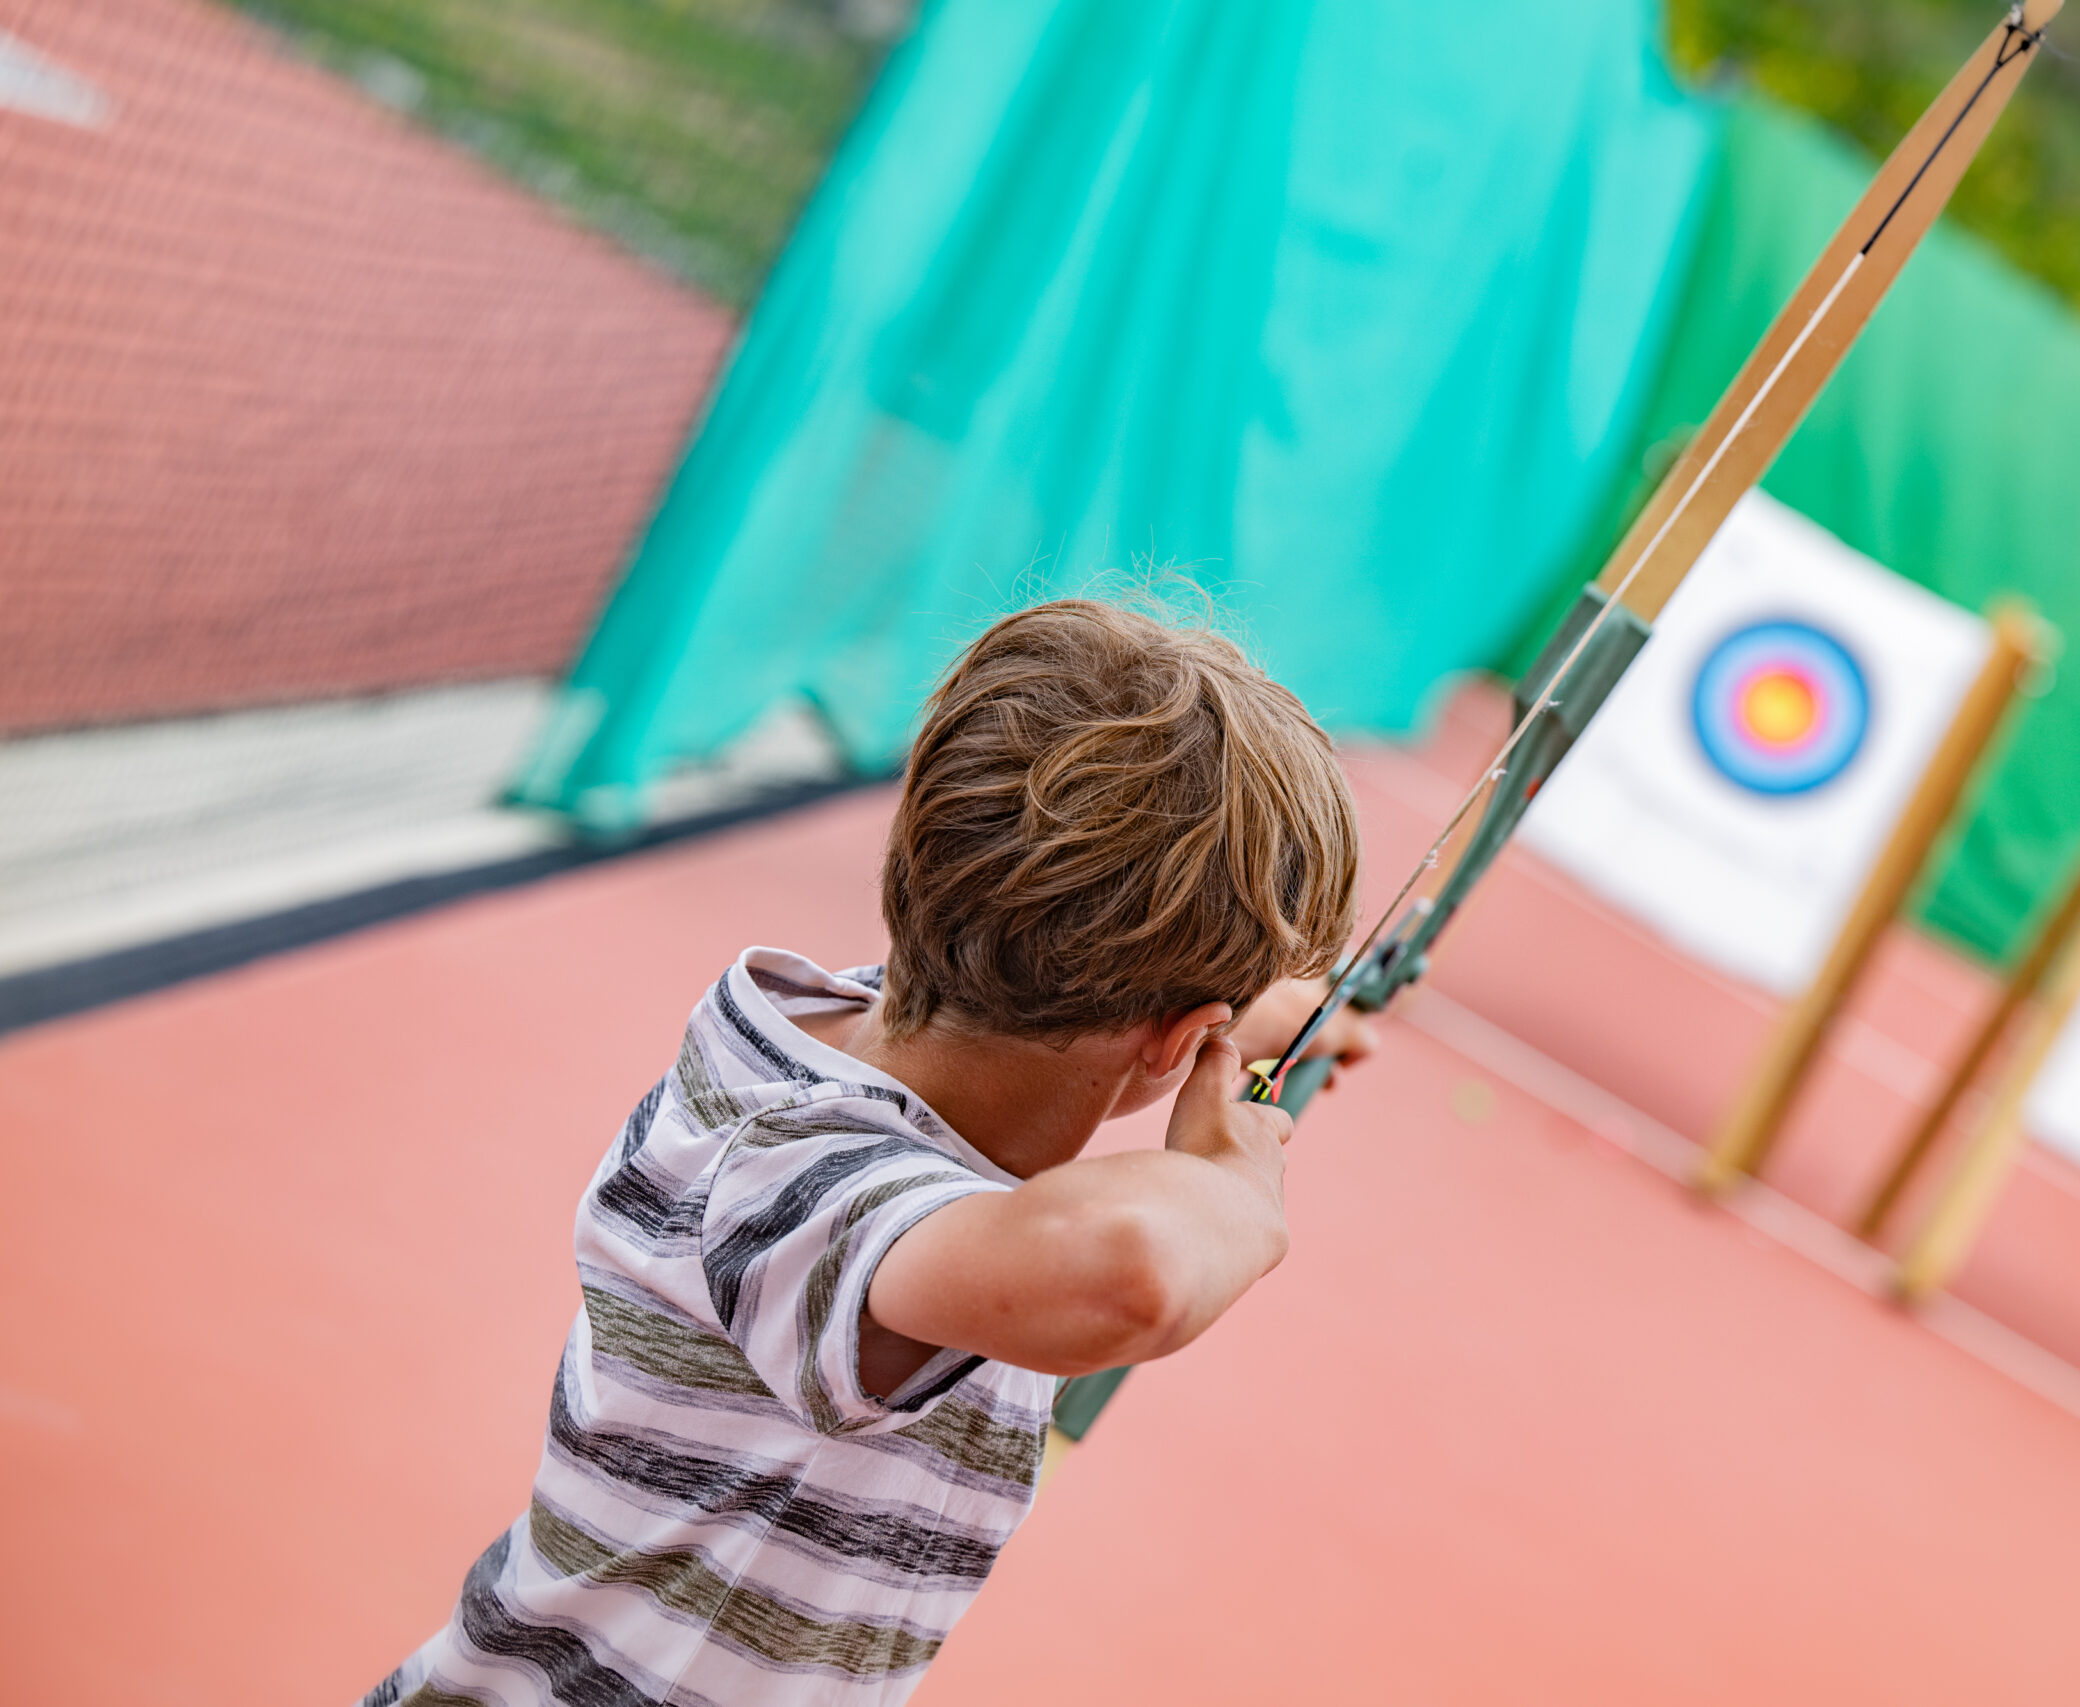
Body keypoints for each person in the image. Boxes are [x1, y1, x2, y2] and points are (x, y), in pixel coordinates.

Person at [364, 600, 1372, 1706]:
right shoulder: (798, 1184)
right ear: (1179, 1041)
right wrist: (1231, 1185)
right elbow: (1136, 1273)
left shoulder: (847, 1029)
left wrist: (1242, 1001)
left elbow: (1082, 947)